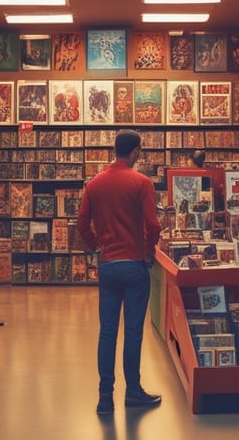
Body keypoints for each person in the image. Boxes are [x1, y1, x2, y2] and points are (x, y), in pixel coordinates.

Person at [77, 129, 162, 415]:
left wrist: (95, 246)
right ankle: (133, 391)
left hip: (108, 265)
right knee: (134, 331)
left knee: (107, 332)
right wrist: (149, 251)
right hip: (135, 264)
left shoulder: (94, 184)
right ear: (135, 151)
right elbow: (153, 225)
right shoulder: (142, 182)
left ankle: (104, 395)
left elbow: (81, 223)